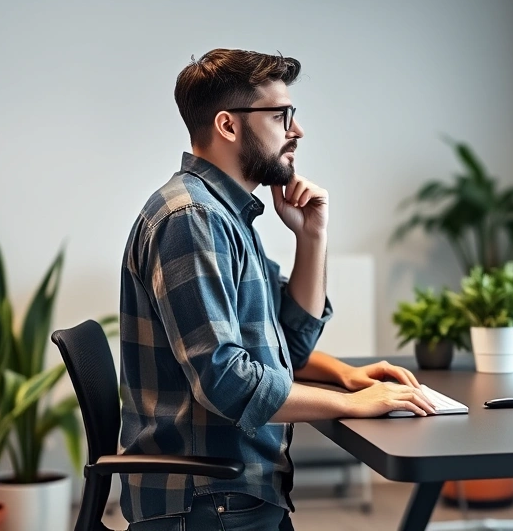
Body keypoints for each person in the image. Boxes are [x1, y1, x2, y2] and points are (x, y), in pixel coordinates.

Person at [117, 48, 437, 531]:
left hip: (226, 492)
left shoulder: (225, 214)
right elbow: (224, 380)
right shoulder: (192, 218)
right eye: (280, 115)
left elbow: (289, 343)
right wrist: (349, 403)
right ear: (228, 125)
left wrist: (312, 237)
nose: (297, 130)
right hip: (208, 500)